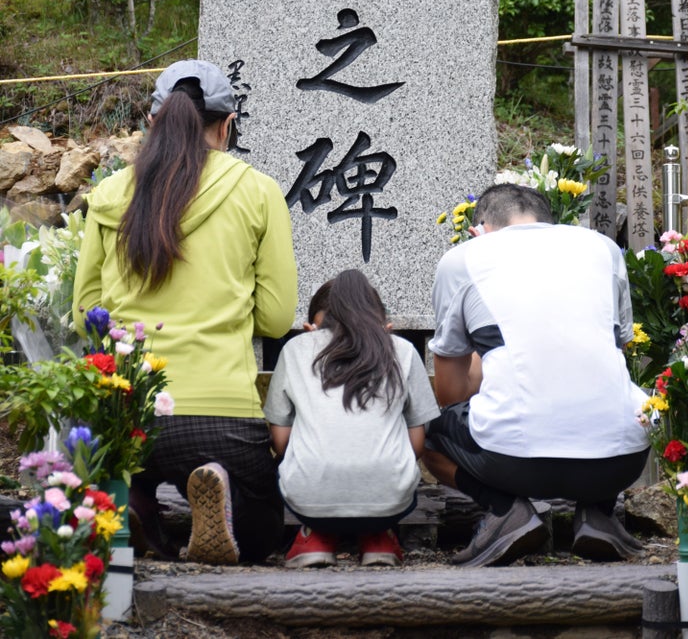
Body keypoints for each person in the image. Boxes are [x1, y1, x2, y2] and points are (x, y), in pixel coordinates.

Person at [72, 59, 298, 565]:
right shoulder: (258, 190)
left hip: (129, 408)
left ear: (154, 121)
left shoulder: (110, 194)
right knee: (264, 530)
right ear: (227, 124)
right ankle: (220, 495)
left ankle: (137, 504)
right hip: (222, 411)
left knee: (132, 461)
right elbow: (277, 318)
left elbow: (85, 310)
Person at [424, 182, 650, 567]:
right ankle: (597, 514)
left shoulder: (464, 258)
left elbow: (451, 394)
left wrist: (491, 362)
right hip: (623, 459)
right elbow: (616, 351)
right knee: (608, 394)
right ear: (551, 224)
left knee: (429, 436)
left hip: (512, 462)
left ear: (478, 229)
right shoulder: (602, 249)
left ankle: (507, 511)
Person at [264, 268, 439, 568]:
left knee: (299, 468)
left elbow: (280, 442)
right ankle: (379, 537)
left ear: (314, 325)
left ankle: (314, 537)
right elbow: (417, 443)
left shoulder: (295, 349)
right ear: (384, 324)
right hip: (391, 494)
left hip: (308, 494)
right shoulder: (403, 350)